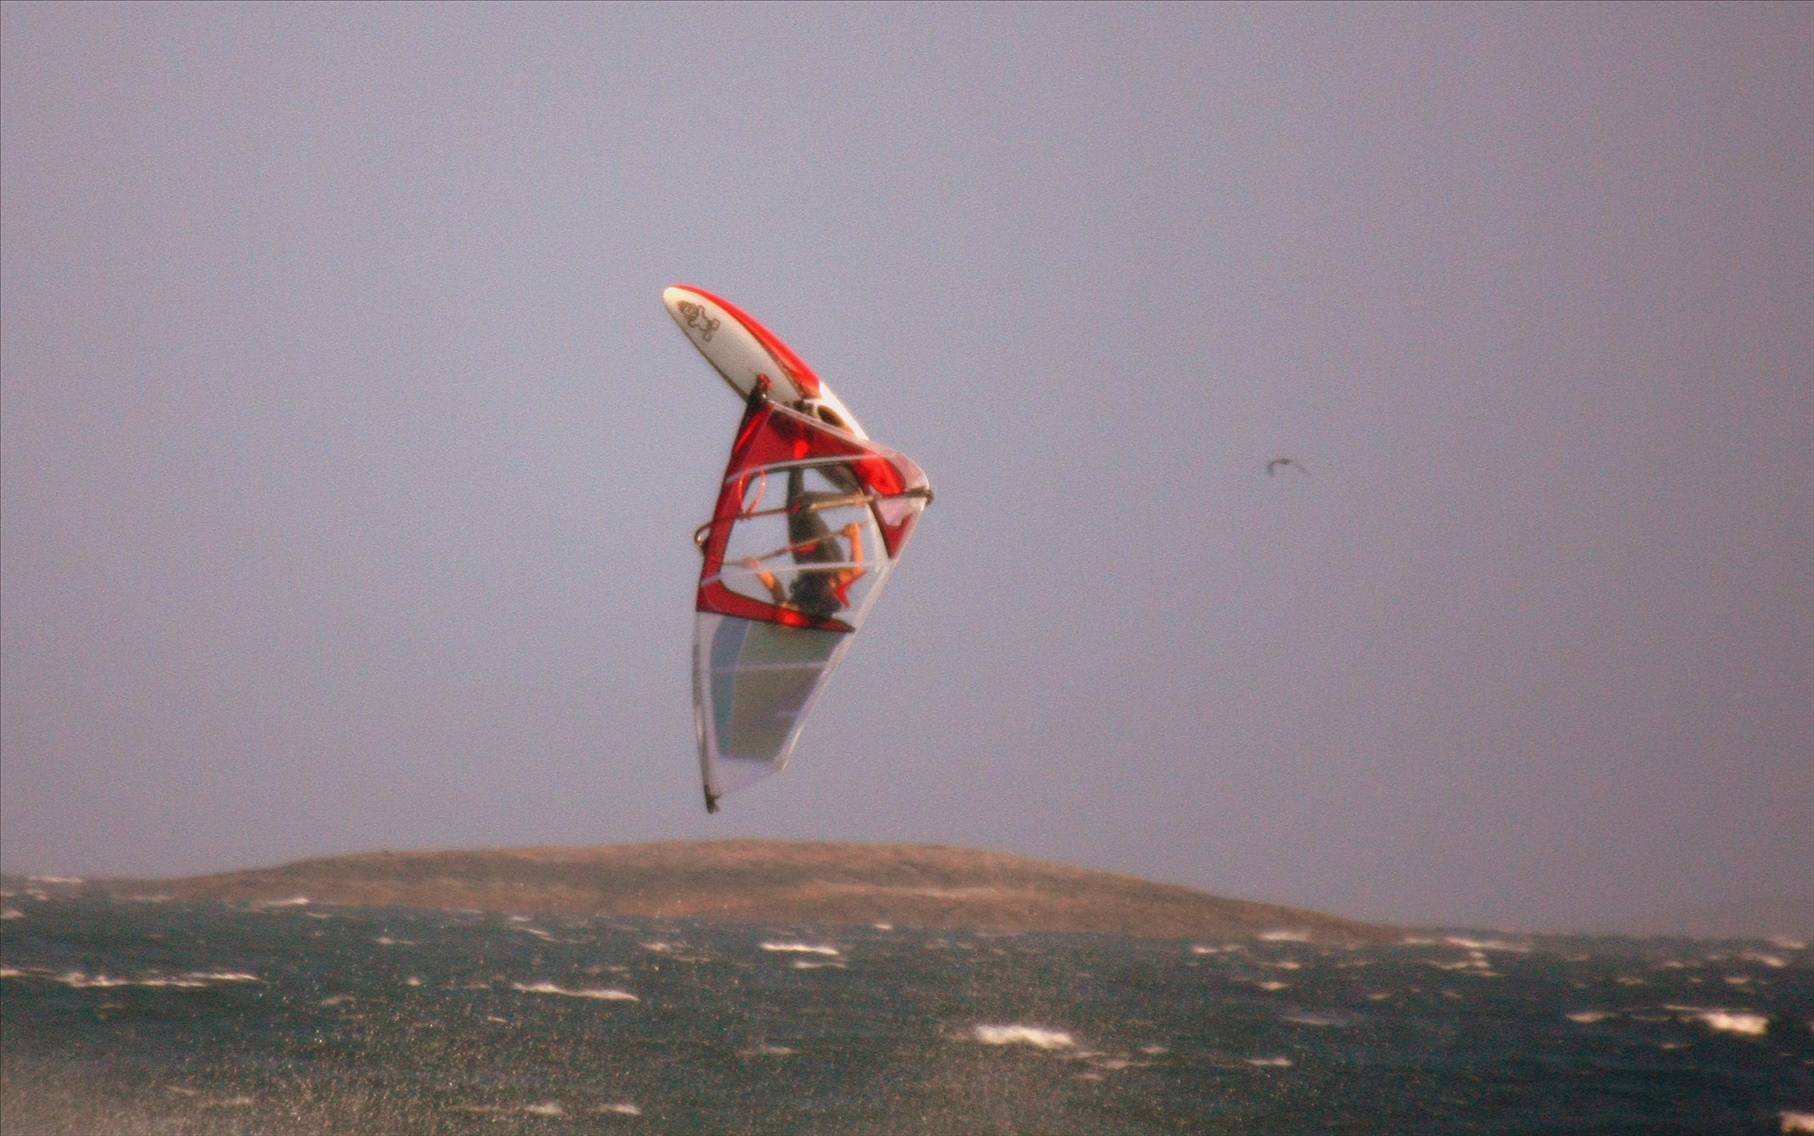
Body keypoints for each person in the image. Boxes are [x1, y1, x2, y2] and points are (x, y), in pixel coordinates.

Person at [741, 466, 865, 620]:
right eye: (785, 608)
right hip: (825, 557)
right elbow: (855, 571)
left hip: (804, 557)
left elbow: (774, 587)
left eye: (781, 607)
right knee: (800, 505)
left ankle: (798, 461)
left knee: (794, 507)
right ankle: (854, 498)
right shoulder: (819, 602)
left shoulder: (787, 607)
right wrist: (855, 536)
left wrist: (754, 568)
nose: (781, 605)